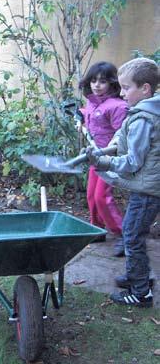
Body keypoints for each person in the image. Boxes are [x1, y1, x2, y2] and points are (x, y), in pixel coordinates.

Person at [86, 57, 160, 307]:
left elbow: (132, 161)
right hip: (147, 187)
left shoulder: (143, 118)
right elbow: (120, 142)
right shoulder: (144, 111)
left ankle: (141, 292)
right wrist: (102, 153)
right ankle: (135, 276)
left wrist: (103, 163)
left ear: (145, 89)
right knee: (132, 232)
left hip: (148, 190)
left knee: (132, 235)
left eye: (127, 87)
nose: (123, 92)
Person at [79, 62, 128, 256]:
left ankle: (123, 234)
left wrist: (110, 154)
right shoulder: (93, 101)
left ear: (112, 83)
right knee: (91, 195)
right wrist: (81, 115)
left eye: (102, 81)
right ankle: (97, 229)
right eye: (93, 81)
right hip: (95, 156)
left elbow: (121, 134)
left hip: (110, 158)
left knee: (102, 197)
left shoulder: (118, 106)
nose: (97, 85)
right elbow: (91, 114)